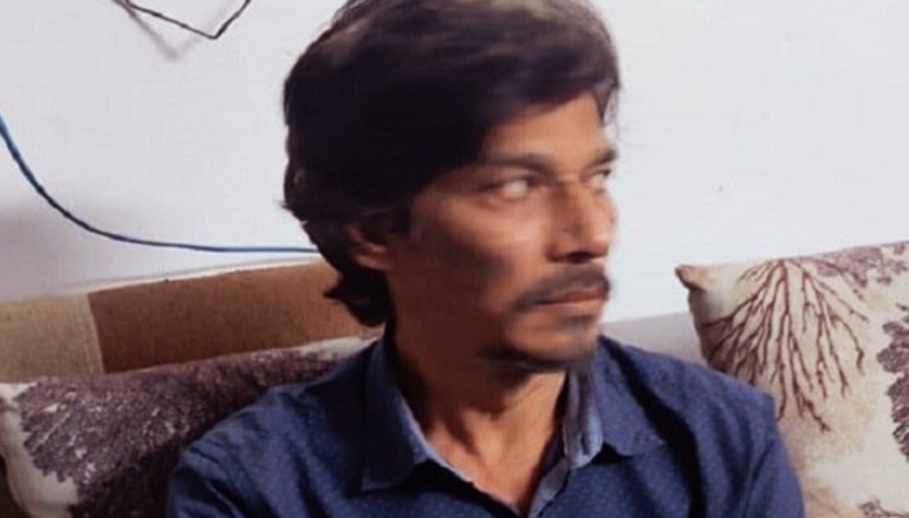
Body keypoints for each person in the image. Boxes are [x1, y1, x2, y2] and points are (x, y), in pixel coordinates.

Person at [166, 0, 806, 516]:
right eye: (516, 185)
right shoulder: (254, 488)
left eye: (596, 178)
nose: (591, 233)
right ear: (374, 229)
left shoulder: (721, 435)